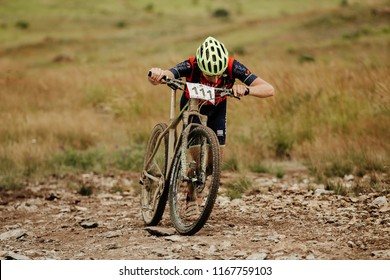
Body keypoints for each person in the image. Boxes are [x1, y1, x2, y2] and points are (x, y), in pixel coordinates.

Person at [148, 36, 274, 218]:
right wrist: (158, 74)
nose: (215, 79)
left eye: (218, 74)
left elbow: (269, 89)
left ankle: (200, 185)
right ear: (200, 65)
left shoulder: (232, 66)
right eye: (209, 75)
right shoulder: (192, 64)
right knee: (197, 160)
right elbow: (168, 74)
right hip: (192, 106)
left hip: (217, 110)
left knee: (212, 165)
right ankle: (191, 198)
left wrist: (246, 90)